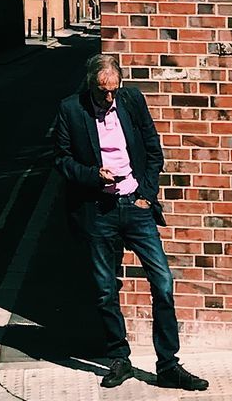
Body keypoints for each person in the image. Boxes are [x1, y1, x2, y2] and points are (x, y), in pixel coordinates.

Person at [52, 53, 209, 391]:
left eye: (114, 90)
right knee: (105, 290)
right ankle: (119, 358)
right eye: (102, 92)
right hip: (99, 209)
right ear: (91, 85)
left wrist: (147, 195)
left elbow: (154, 150)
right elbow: (62, 161)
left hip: (135, 206)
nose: (109, 98)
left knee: (163, 282)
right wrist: (93, 175)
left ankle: (168, 363)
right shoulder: (70, 110)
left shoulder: (132, 100)